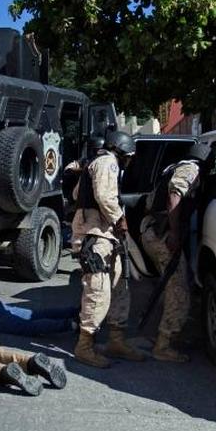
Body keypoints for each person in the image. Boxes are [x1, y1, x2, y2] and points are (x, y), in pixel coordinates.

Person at [70, 130, 144, 368]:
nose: (128, 161)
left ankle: (116, 340)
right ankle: (84, 346)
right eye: (128, 156)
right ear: (121, 151)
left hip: (106, 236)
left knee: (119, 286)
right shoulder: (107, 162)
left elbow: (76, 194)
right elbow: (104, 196)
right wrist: (120, 218)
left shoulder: (95, 164)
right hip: (96, 236)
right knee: (98, 290)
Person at [139, 142, 213, 362]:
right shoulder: (191, 169)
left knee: (172, 284)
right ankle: (164, 345)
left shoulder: (173, 167)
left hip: (152, 230)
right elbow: (174, 196)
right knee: (178, 289)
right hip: (162, 235)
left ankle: (165, 335)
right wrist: (174, 232)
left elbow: (151, 202)